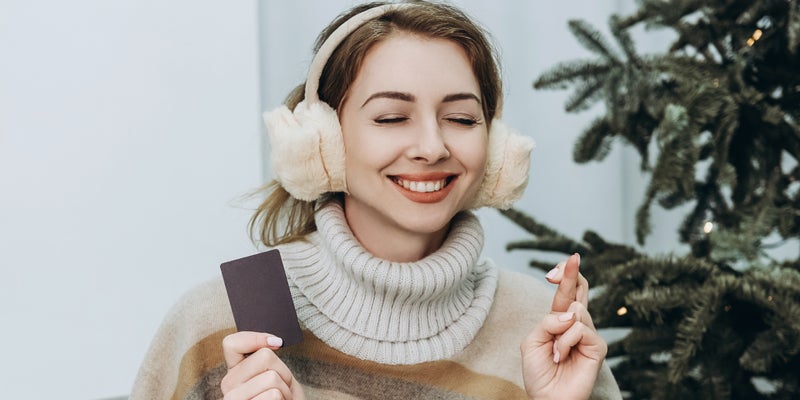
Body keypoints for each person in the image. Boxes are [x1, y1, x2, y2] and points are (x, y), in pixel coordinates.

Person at [130, 1, 622, 399]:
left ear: (495, 149)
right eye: (391, 118)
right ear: (321, 142)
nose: (432, 147)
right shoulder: (221, 322)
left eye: (462, 119)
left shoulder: (544, 333)